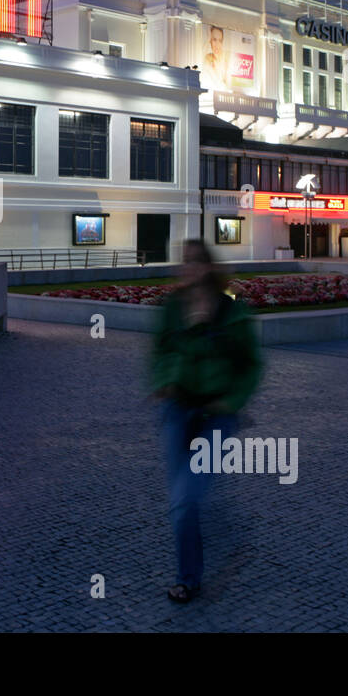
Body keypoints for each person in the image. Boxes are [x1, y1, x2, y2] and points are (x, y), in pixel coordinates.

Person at [152, 239, 263, 604]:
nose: (188, 269)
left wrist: (232, 400)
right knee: (182, 499)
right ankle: (194, 541)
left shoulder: (231, 312)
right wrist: (164, 380)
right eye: (184, 262)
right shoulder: (173, 307)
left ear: (208, 267)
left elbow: (251, 365)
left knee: (185, 499)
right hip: (178, 409)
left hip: (217, 415)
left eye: (195, 262)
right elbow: (160, 350)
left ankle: (188, 579)